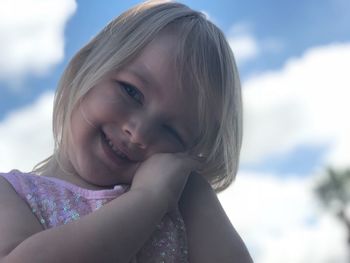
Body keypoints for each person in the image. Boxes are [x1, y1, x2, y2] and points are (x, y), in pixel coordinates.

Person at [0, 1, 253, 262]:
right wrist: (148, 199)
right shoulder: (11, 193)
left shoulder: (185, 200)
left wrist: (192, 191)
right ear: (86, 69)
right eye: (131, 91)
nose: (139, 132)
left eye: (172, 131)